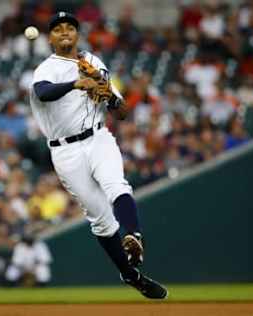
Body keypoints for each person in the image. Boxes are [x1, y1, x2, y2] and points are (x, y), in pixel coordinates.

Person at [29, 12, 167, 299]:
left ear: (77, 34)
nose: (65, 32)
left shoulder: (94, 62)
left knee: (117, 185)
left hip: (99, 138)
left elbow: (123, 112)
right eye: (58, 29)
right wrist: (76, 84)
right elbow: (43, 93)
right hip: (65, 151)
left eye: (70, 28)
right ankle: (131, 275)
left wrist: (110, 96)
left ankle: (134, 236)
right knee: (101, 219)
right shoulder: (46, 68)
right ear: (50, 37)